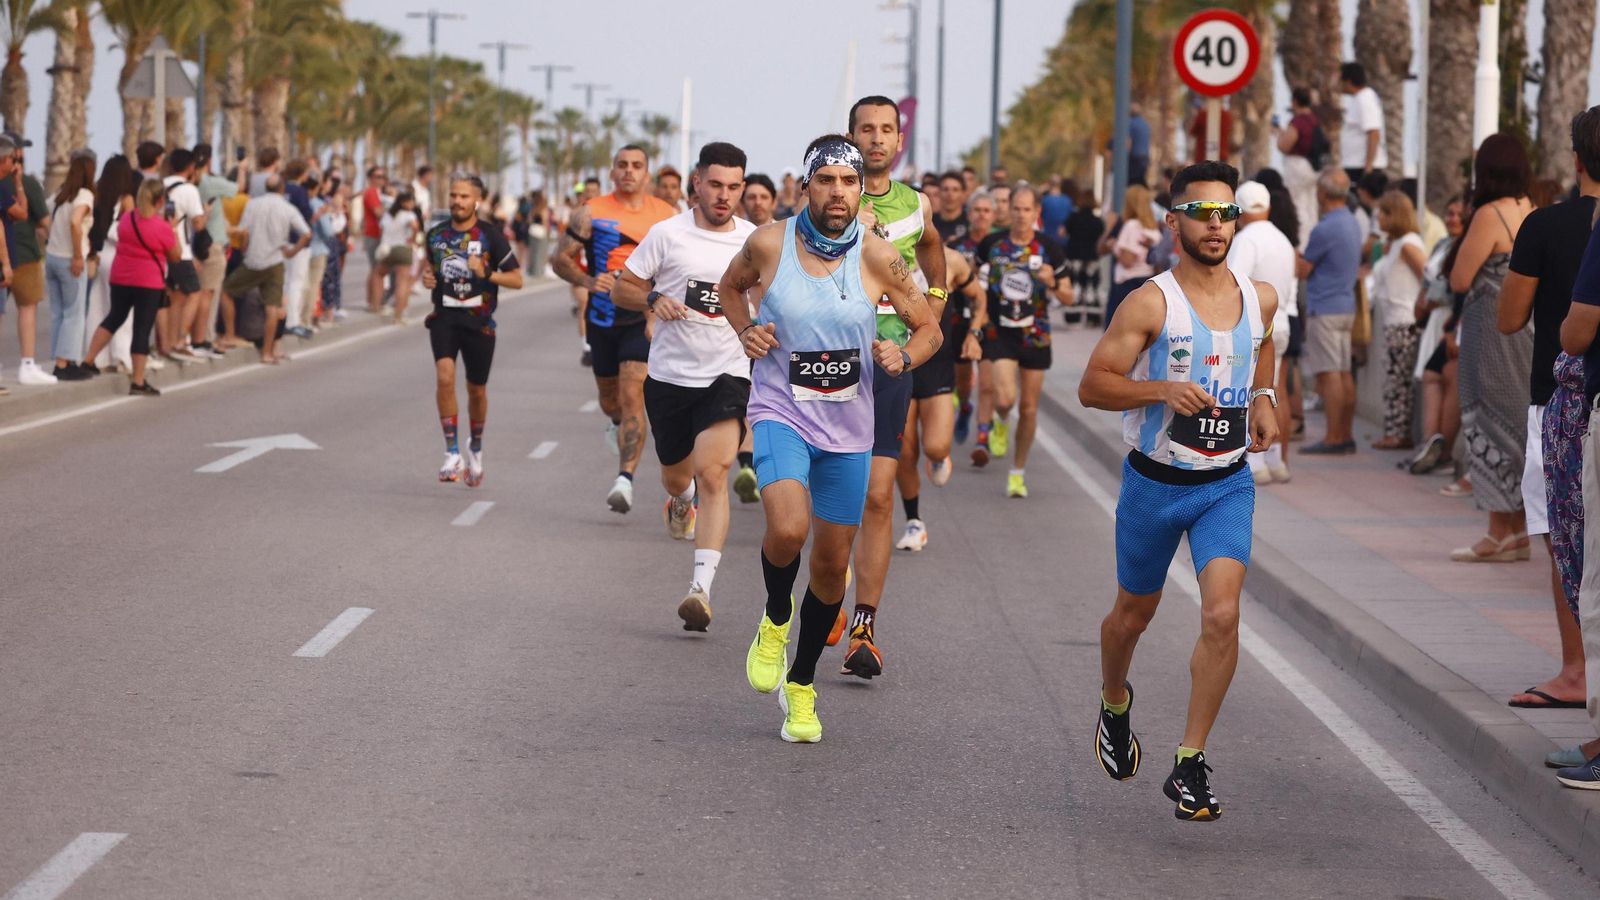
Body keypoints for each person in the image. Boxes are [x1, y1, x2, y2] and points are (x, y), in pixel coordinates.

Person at [719, 133, 940, 742]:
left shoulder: (879, 257)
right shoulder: (770, 243)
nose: (838, 192)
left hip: (848, 428)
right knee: (789, 529)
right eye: (826, 181)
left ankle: (802, 683)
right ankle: (774, 617)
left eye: (848, 182)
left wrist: (904, 355)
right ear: (806, 188)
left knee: (829, 566)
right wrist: (745, 331)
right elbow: (730, 287)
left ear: (860, 189)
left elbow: (928, 328)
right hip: (780, 410)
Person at [1078, 161, 1280, 822]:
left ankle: (1190, 761)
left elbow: (1266, 343)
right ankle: (1114, 701)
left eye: (1226, 214)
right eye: (1201, 213)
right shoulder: (1150, 303)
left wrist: (1265, 397)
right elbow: (1093, 385)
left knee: (1222, 614)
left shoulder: (1260, 297)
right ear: (1174, 222)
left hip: (1226, 484)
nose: (1216, 225)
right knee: (1131, 615)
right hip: (1155, 484)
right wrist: (1160, 388)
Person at [613, 142, 754, 631]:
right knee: (679, 478)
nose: (724, 195)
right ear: (697, 183)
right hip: (671, 378)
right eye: (715, 185)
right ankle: (679, 499)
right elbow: (623, 287)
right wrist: (653, 298)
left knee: (715, 474)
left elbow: (771, 297)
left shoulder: (754, 241)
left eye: (733, 187)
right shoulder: (668, 234)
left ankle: (700, 589)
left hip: (728, 373)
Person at [836, 95, 948, 679]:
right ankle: (828, 584)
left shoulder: (916, 203)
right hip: (829, 363)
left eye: (886, 130)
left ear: (899, 141)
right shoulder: (829, 198)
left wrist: (934, 303)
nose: (876, 138)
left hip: (889, 361)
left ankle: (864, 626)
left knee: (879, 496)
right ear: (851, 136)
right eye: (866, 129)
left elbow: (932, 249)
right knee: (830, 496)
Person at [1499, 110, 1600, 715]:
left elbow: (1510, 318)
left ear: (1577, 160)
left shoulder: (1545, 225)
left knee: (1566, 539)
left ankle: (1576, 670)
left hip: (1562, 400)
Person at [550, 145, 678, 513]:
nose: (629, 171)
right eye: (622, 165)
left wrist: (657, 310)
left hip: (641, 316)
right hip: (603, 319)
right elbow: (559, 259)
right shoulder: (591, 212)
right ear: (612, 172)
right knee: (611, 402)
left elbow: (677, 269)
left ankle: (625, 479)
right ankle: (617, 423)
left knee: (633, 392)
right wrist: (589, 281)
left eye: (637, 165)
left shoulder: (666, 216)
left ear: (647, 174)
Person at [1449, 134, 1534, 563]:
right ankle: (1517, 531)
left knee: (1488, 422)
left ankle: (1497, 532)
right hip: (1527, 329)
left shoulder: (1490, 214)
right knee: (1518, 423)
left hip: (1491, 334)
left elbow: (1460, 278)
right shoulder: (1529, 208)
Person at [418, 174, 523, 488]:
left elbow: (517, 279)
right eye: (453, 195)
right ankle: (451, 452)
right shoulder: (436, 234)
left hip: (480, 322)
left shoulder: (490, 235)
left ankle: (475, 446)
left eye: (464, 196)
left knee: (476, 390)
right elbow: (431, 270)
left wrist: (486, 272)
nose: (457, 201)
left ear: (477, 200)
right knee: (444, 376)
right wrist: (428, 279)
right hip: (445, 318)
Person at [970, 185, 1070, 501]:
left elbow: (1069, 296)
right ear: (1008, 209)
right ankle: (1000, 420)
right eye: (1016, 208)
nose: (1021, 215)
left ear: (1036, 212)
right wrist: (977, 321)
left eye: (1027, 209)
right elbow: (973, 285)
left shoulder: (1049, 249)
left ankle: (1017, 472)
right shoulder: (992, 245)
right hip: (1000, 333)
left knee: (1028, 408)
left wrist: (1052, 282)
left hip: (1035, 335)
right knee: (1004, 399)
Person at [896, 244, 983, 550]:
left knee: (935, 447)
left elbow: (979, 298)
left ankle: (938, 457)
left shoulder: (951, 260)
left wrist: (974, 333)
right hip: (899, 365)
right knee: (905, 454)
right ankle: (914, 521)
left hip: (938, 366)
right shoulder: (884, 253)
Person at [1226, 181, 1296, 484]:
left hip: (1256, 325)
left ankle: (1255, 461)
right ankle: (1276, 460)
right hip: (1282, 323)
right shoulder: (1283, 239)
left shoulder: (1246, 240)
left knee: (1249, 392)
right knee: (1275, 391)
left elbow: (1233, 284)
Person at [83, 177, 179, 395]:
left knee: (114, 318)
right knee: (141, 329)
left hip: (121, 277)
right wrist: (172, 230)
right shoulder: (162, 227)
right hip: (148, 282)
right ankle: (138, 381)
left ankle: (88, 360)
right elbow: (175, 256)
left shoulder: (127, 219)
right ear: (160, 201)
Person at [1297, 168, 1363, 453]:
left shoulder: (1324, 229)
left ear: (1323, 193)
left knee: (1329, 374)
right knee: (1344, 372)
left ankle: (1334, 437)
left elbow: (1304, 269)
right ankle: (1345, 434)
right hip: (1345, 306)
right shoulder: (1352, 222)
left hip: (1324, 307)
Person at [222, 174, 311, 365]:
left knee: (227, 292)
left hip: (253, 260)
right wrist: (292, 251)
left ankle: (229, 334)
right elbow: (306, 233)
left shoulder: (253, 204)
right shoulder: (288, 208)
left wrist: (244, 247)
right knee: (272, 307)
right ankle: (268, 352)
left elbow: (244, 231)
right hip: (275, 261)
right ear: (282, 188)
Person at [1408, 198, 1467, 476]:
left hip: (1453, 319)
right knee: (1431, 375)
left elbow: (1460, 289)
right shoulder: (1442, 245)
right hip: (1435, 320)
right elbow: (1427, 280)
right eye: (1450, 213)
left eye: (1459, 214)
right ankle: (1430, 444)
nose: (1453, 218)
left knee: (1449, 376)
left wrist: (1453, 327)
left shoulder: (1468, 245)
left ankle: (1442, 453)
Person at [1371, 190, 1427, 450]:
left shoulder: (1408, 244)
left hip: (1404, 321)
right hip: (1394, 320)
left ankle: (1398, 433)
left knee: (1398, 381)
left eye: (1382, 213)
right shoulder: (1396, 244)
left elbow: (1427, 277)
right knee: (1393, 379)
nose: (1378, 219)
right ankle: (1394, 430)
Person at [950, 189, 998, 443]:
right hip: (961, 318)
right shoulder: (956, 247)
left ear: (994, 215)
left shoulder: (1001, 246)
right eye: (977, 210)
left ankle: (982, 436)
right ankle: (965, 406)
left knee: (988, 383)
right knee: (963, 380)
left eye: (986, 211)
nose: (981, 215)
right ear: (968, 214)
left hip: (990, 321)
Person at [43, 149, 95, 380]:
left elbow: (42, 218)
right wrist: (77, 255)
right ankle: (64, 364)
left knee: (58, 313)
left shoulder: (60, 194)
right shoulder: (84, 195)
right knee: (74, 313)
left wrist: (51, 238)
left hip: (52, 258)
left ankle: (60, 360)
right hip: (69, 261)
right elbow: (75, 223)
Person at [7, 132, 53, 385]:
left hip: (5, 254)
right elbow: (44, 221)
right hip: (24, 253)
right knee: (27, 309)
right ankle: (27, 364)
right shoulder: (26, 183)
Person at [192, 144, 247, 356]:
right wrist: (241, 167)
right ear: (209, 160)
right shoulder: (210, 183)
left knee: (200, 293)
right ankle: (205, 338)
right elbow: (239, 187)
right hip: (213, 245)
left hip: (196, 245)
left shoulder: (193, 184)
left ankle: (200, 336)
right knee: (209, 294)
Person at [84, 154, 134, 373]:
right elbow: (130, 228)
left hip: (100, 255)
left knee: (98, 306)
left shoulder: (97, 194)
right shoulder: (126, 199)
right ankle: (121, 356)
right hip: (118, 255)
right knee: (122, 309)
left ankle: (98, 358)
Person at [160, 147, 208, 361]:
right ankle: (181, 339)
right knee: (194, 293)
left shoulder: (161, 185)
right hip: (180, 250)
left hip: (161, 249)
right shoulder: (189, 190)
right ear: (191, 167)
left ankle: (168, 343)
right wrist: (206, 213)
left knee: (174, 298)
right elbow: (198, 224)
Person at [1104, 184, 1161, 327]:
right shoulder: (1154, 229)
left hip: (1127, 284)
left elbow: (1127, 261)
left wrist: (1114, 246)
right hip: (1147, 280)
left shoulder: (1131, 226)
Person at [1277, 88, 1325, 248]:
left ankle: (1301, 244)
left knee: (1297, 205)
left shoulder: (1298, 122)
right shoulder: (1315, 120)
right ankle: (1313, 242)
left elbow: (1285, 145)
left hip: (1297, 167)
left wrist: (1279, 135)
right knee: (1311, 206)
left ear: (1295, 101)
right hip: (1313, 168)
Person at [375, 191, 420, 325]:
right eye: (410, 201)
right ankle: (398, 315)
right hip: (402, 248)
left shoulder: (388, 215)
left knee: (378, 275)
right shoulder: (409, 215)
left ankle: (377, 305)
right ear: (403, 203)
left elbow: (381, 230)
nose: (412, 204)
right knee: (402, 283)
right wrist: (412, 239)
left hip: (387, 249)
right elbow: (415, 226)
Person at [1063, 188, 1106, 322]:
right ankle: (1092, 317)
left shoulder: (1073, 217)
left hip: (1074, 255)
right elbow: (1101, 236)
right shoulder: (1097, 220)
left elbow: (1062, 232)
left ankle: (1073, 316)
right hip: (1091, 256)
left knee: (1075, 285)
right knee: (1091, 286)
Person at [1339, 63, 1386, 181]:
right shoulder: (1358, 98)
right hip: (1354, 164)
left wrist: (1368, 166)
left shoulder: (1365, 99)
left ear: (1348, 81)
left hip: (1362, 167)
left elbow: (1373, 132)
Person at [362, 165, 389, 312]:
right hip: (373, 234)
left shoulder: (379, 193)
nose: (381, 180)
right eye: (378, 177)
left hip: (378, 234)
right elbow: (378, 213)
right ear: (370, 178)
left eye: (383, 177)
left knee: (375, 269)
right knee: (377, 269)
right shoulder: (371, 192)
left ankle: (372, 301)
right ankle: (374, 303)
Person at [931, 170, 968, 242]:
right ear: (939, 193)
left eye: (955, 190)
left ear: (963, 194)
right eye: (945, 189)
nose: (950, 194)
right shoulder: (929, 223)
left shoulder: (970, 223)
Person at [1127, 103, 1152, 186]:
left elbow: (1128, 141)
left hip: (1135, 158)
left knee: (1132, 182)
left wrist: (1125, 157)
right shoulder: (1145, 124)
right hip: (1144, 158)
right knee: (1140, 180)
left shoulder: (1130, 123)